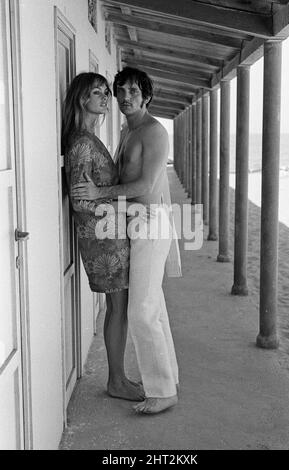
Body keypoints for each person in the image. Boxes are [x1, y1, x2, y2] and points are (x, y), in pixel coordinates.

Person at [71, 67, 179, 414]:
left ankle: (162, 392)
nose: (125, 97)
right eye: (120, 91)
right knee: (153, 308)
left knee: (141, 310)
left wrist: (99, 192)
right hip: (133, 224)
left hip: (149, 223)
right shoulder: (127, 131)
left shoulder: (153, 132)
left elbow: (145, 186)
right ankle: (168, 379)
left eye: (133, 91)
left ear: (146, 96)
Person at [61, 72, 145, 402]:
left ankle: (118, 377)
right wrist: (124, 210)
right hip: (102, 240)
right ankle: (117, 380)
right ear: (83, 98)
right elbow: (81, 201)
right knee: (118, 308)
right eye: (99, 92)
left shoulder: (88, 137)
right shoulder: (82, 142)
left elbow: (92, 194)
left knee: (118, 308)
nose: (106, 98)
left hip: (108, 235)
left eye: (106, 93)